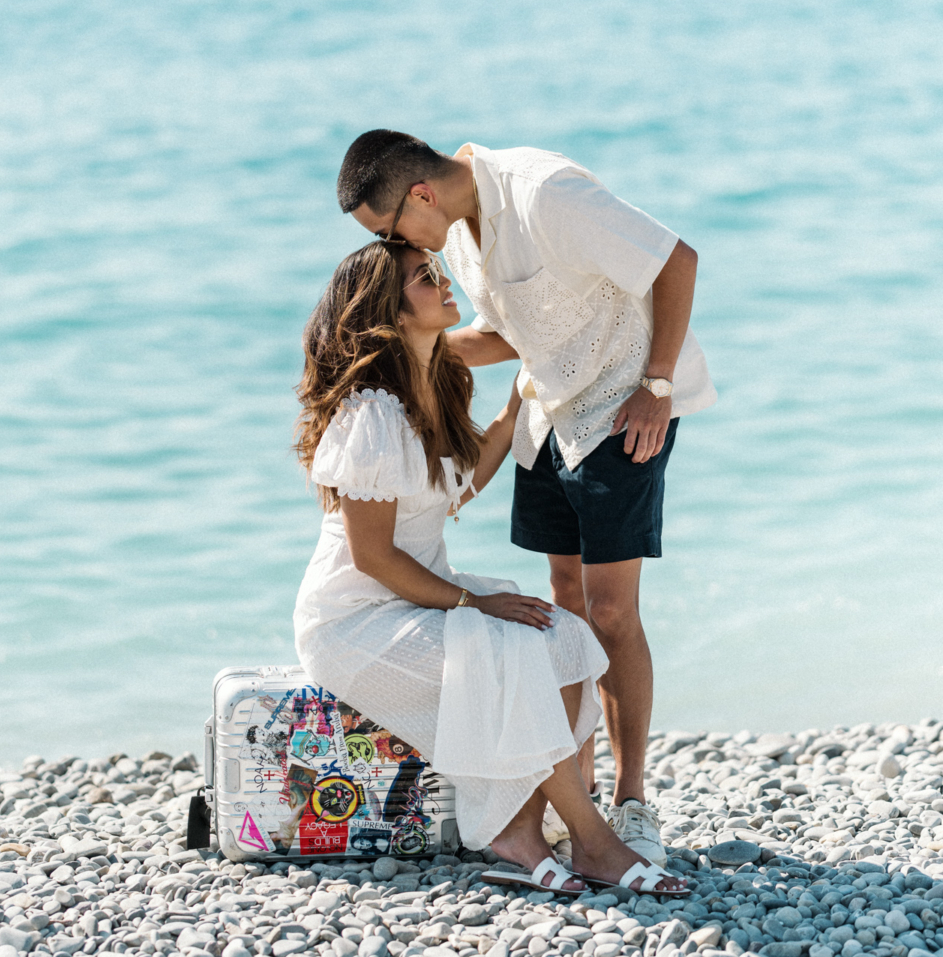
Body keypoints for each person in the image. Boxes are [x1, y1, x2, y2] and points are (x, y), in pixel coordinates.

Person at [336, 132, 717, 867]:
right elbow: (509, 334)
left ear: (420, 195)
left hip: (622, 409)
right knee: (563, 602)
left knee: (610, 611)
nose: (393, 245)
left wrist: (658, 384)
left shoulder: (543, 192)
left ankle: (631, 802)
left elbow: (676, 259)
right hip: (546, 415)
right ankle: (577, 787)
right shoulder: (460, 231)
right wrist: (382, 350)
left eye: (387, 229)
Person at [292, 239, 689, 895]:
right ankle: (593, 843)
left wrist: (511, 412)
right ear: (387, 312)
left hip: (417, 596)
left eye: (437, 271)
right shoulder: (371, 412)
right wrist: (471, 605)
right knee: (510, 651)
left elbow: (454, 488)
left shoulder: (432, 384)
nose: (445, 283)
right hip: (355, 619)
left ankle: (521, 830)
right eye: (425, 278)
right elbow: (373, 556)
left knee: (562, 639)